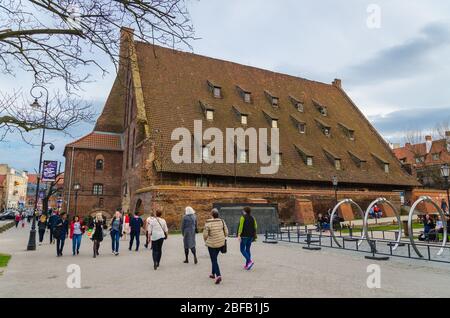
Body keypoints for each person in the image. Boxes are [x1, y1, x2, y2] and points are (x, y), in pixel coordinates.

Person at [203, 208, 228, 285]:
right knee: (214, 259)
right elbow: (226, 232)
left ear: (211, 215)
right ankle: (212, 274)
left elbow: (205, 235)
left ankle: (218, 275)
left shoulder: (208, 223)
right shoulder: (222, 221)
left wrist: (206, 240)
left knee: (214, 260)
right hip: (221, 243)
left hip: (212, 244)